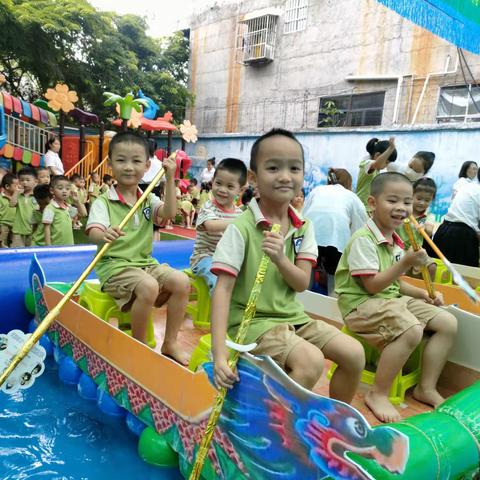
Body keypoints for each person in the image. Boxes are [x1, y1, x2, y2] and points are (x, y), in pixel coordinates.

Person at [211, 129, 364, 401]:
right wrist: (220, 352)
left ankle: (333, 425)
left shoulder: (303, 227)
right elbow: (222, 290)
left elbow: (302, 282)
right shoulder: (242, 228)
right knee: (311, 361)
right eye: (273, 168)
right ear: (253, 178)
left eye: (294, 168)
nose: (285, 176)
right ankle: (278, 431)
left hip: (294, 318)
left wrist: (281, 258)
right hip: (251, 323)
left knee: (354, 353)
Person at [335, 172, 457, 423]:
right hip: (361, 305)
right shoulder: (364, 240)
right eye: (392, 201)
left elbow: (395, 283)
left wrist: (423, 293)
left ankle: (426, 387)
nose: (401, 208)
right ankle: (378, 394)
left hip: (389, 299)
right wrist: (406, 264)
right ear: (372, 203)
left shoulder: (395, 239)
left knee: (448, 323)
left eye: (407, 202)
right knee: (411, 330)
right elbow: (371, 286)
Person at [86, 131, 191, 364]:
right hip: (114, 267)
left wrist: (171, 178)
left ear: (147, 166)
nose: (129, 167)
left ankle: (170, 343)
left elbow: (169, 214)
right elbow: (94, 233)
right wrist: (104, 234)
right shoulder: (104, 201)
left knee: (182, 282)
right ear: (111, 163)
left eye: (136, 161)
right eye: (121, 160)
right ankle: (139, 345)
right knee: (149, 286)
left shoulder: (147, 200)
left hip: (144, 264)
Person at [303, 168, 367, 295]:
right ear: (349, 183)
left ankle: (300, 304)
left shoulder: (317, 190)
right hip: (337, 242)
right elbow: (359, 230)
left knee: (305, 277)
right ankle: (331, 309)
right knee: (335, 283)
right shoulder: (352, 197)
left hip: (309, 238)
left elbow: (303, 215)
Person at [190, 158, 247, 293]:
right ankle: (218, 312)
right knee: (220, 283)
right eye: (219, 183)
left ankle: (237, 311)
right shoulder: (208, 207)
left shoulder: (239, 213)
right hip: (205, 258)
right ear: (212, 183)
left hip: (228, 260)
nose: (222, 189)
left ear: (240, 191)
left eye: (230, 186)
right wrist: (240, 222)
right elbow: (210, 226)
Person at [431, 181, 480, 267]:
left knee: (438, 273)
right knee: (464, 277)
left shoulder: (468, 186)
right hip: (463, 237)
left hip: (443, 230)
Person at [397, 177, 437, 279]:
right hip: (398, 249)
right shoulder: (403, 210)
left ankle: (428, 292)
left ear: (432, 200)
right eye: (419, 198)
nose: (422, 203)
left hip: (417, 251)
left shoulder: (428, 216)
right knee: (401, 270)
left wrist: (425, 229)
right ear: (411, 195)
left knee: (432, 267)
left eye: (427, 200)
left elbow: (429, 231)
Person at [43, 175, 87, 245]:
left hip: (69, 245)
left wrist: (77, 201)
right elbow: (47, 228)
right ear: (52, 190)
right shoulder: (50, 208)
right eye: (60, 188)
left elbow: (83, 214)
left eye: (67, 189)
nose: (64, 191)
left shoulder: (68, 207)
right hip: (56, 247)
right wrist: (49, 247)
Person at [356, 137, 397, 207]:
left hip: (369, 208)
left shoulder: (377, 171)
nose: (387, 166)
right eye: (386, 162)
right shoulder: (366, 164)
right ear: (377, 155)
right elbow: (377, 164)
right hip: (362, 207)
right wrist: (390, 148)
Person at [11, 167, 37, 247]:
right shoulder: (18, 194)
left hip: (33, 231)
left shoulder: (37, 196)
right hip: (18, 231)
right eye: (22, 180)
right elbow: (12, 204)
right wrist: (16, 192)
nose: (24, 182)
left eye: (28, 180)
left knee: (30, 254)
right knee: (17, 255)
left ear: (35, 182)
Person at [0, 173, 18, 247]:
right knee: (2, 245)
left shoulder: (18, 197)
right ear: (7, 186)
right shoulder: (0, 198)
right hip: (3, 225)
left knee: (14, 245)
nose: (18, 187)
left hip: (15, 226)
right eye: (16, 185)